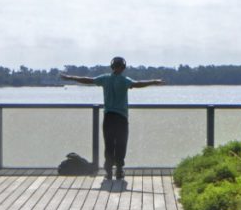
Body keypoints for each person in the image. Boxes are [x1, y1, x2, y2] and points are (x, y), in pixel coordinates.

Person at [60, 58, 163, 187]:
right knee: (121, 144)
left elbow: (88, 80)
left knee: (109, 145)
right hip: (121, 117)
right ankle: (119, 170)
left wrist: (70, 77)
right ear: (123, 68)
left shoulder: (105, 79)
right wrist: (154, 81)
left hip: (108, 117)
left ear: (112, 66)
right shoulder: (125, 81)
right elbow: (138, 84)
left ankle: (108, 172)